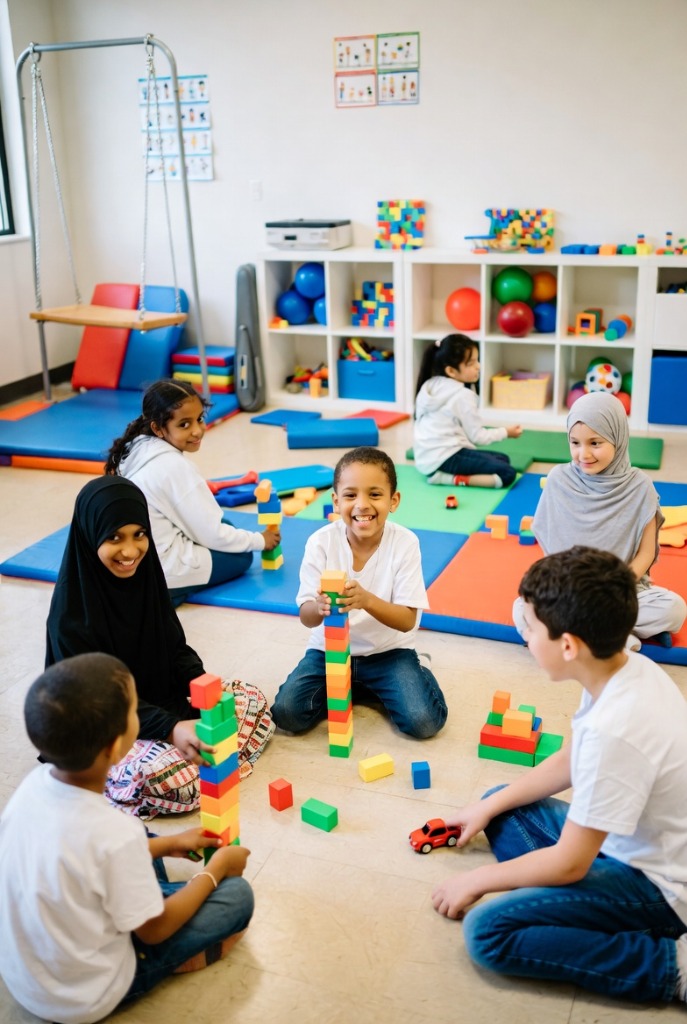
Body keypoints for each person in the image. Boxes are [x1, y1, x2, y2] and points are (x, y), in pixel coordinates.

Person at [431, 546, 687, 1005]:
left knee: (488, 932)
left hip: (661, 890)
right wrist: (484, 807)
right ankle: (579, 909)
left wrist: (479, 879)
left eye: (530, 628)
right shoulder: (628, 669)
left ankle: (670, 966)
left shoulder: (616, 731)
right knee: (502, 804)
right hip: (624, 845)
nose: (526, 637)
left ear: (568, 646)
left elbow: (571, 863)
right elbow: (573, 759)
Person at [0, 653, 253, 1023]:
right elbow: (155, 930)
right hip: (86, 995)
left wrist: (168, 844)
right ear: (116, 746)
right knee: (237, 897)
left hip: (27, 976)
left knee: (140, 837)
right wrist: (215, 871)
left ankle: (147, 885)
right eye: (135, 711)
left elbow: (85, 853)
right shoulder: (115, 834)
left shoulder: (31, 788)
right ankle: (167, 963)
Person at [45, 477, 274, 811]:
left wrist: (201, 686)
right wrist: (171, 729)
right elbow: (97, 703)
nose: (130, 551)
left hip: (160, 706)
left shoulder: (147, 579)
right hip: (106, 729)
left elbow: (174, 648)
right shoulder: (71, 616)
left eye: (139, 534)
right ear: (91, 536)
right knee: (169, 776)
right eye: (114, 538)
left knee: (249, 700)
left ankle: (203, 752)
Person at [271, 446, 448, 738]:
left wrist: (366, 600)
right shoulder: (320, 542)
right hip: (328, 651)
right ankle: (362, 688)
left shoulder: (405, 543)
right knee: (287, 714)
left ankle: (417, 670)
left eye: (375, 495)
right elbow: (306, 616)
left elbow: (407, 620)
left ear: (393, 501)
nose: (362, 505)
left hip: (388, 653)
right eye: (351, 495)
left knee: (423, 722)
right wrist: (319, 606)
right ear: (336, 501)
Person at [513, 390, 686, 648]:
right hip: (569, 588)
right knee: (522, 607)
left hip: (619, 589)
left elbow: (647, 552)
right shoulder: (559, 479)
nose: (583, 454)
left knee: (674, 609)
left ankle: (579, 632)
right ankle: (614, 635)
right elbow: (550, 547)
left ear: (618, 438)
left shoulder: (640, 486)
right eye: (575, 443)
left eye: (595, 443)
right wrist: (568, 586)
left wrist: (614, 586)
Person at [106, 379, 280, 606]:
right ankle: (169, 593)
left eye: (199, 419)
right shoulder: (174, 467)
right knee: (242, 556)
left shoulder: (137, 447)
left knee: (224, 523)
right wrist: (260, 540)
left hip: (141, 556)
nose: (197, 430)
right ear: (158, 428)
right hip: (164, 569)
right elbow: (213, 534)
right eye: (184, 425)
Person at [413, 334, 522, 488]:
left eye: (477, 360)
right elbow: (478, 437)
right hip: (445, 457)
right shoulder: (462, 395)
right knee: (507, 473)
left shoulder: (430, 384)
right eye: (471, 363)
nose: (478, 366)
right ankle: (447, 479)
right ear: (451, 371)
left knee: (503, 459)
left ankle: (442, 473)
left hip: (427, 457)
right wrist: (506, 432)